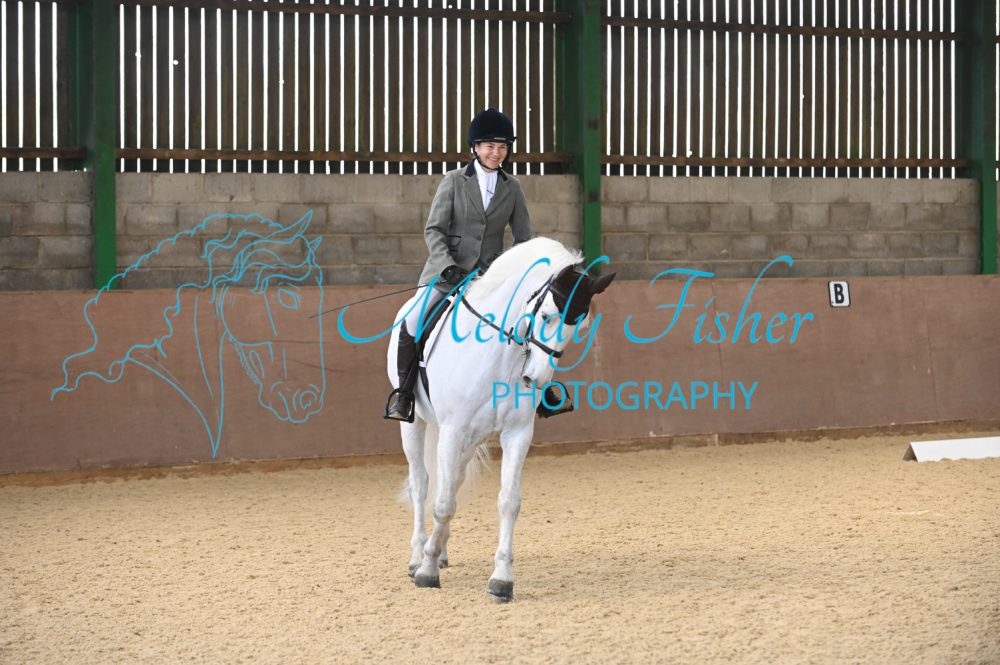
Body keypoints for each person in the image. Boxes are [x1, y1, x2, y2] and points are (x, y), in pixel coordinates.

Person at [384, 108, 532, 422]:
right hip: (446, 276)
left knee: (528, 324)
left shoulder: (513, 187)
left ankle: (538, 392)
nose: (496, 153)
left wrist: (510, 274)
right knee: (413, 321)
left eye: (502, 147)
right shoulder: (453, 181)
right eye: (490, 146)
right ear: (475, 147)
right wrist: (447, 265)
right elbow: (433, 230)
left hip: (488, 279)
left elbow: (523, 239)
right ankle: (404, 394)